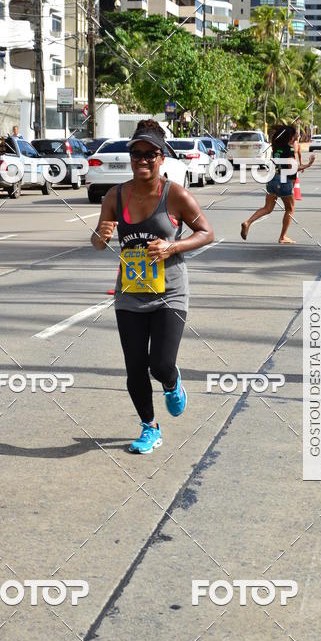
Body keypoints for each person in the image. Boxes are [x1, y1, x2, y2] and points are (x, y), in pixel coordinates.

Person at [92, 120, 214, 454]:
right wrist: (99, 237)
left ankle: (172, 383)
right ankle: (150, 427)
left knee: (159, 365)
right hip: (129, 295)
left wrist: (171, 247)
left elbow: (206, 232)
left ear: (162, 158)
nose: (142, 160)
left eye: (150, 154)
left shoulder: (175, 195)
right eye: (136, 154)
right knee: (135, 368)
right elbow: (98, 242)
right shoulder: (115, 195)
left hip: (170, 293)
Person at [240, 125, 315, 243]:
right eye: (295, 133)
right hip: (284, 181)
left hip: (272, 179)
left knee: (267, 208)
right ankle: (282, 237)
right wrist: (308, 165)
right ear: (290, 137)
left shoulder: (276, 148)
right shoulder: (288, 149)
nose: (297, 135)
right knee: (290, 209)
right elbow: (292, 168)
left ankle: (248, 222)